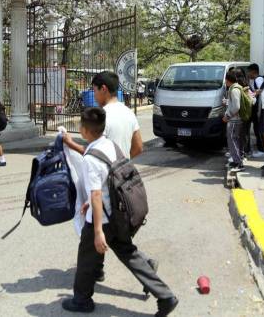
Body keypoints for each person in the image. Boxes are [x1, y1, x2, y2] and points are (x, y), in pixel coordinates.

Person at [61, 107, 178, 316]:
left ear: (85, 130)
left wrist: (97, 231)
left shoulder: (90, 159)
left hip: (103, 219)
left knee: (87, 257)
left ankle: (81, 300)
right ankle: (165, 296)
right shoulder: (110, 145)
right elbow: (109, 182)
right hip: (119, 214)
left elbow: (97, 194)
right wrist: (92, 201)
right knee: (128, 253)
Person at [222, 70, 244, 171]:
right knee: (234, 141)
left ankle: (238, 163)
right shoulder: (236, 88)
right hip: (235, 120)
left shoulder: (234, 89)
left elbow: (236, 107)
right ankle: (236, 161)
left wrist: (228, 116)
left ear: (227, 80)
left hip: (234, 120)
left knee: (233, 141)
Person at [247, 63, 264, 159]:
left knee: (258, 130)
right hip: (256, 110)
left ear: (253, 72)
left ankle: (262, 149)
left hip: (258, 110)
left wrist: (253, 94)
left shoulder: (259, 80)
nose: (248, 74)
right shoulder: (256, 80)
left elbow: (260, 92)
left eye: (249, 72)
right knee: (256, 129)